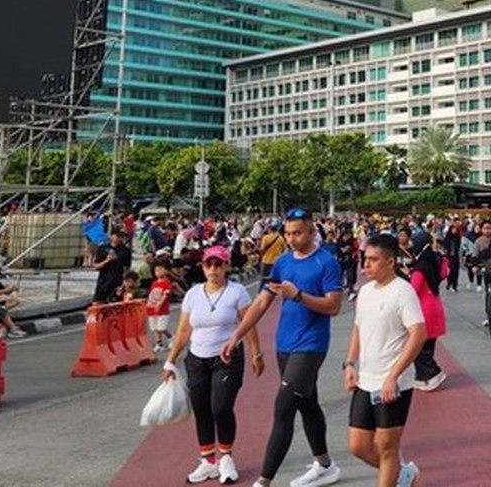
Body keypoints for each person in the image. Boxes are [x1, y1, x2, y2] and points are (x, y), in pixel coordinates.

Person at [222, 208, 344, 487]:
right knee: (307, 403)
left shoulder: (326, 262)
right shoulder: (282, 262)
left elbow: (334, 306)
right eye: (288, 233)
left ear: (312, 232)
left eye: (297, 233)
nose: (292, 238)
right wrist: (236, 336)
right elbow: (262, 302)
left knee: (284, 408)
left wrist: (298, 295)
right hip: (284, 345)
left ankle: (264, 481)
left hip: (311, 345)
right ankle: (325, 464)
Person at [162, 245, 262, 485]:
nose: (213, 269)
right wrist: (170, 361)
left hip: (226, 358)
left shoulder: (237, 292)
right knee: (202, 409)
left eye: (219, 264)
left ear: (226, 266)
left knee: (221, 407)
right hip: (197, 358)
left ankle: (226, 457)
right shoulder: (193, 294)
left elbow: (247, 324)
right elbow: (184, 330)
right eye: (209, 264)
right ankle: (208, 461)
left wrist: (256, 353)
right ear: (203, 267)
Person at [342, 233, 426, 487]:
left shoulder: (403, 291)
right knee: (358, 446)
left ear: (390, 262)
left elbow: (418, 333)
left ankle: (394, 476)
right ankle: (404, 474)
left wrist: (393, 375)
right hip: (365, 380)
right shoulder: (365, 291)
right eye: (364, 259)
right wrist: (349, 364)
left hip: (393, 384)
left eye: (372, 260)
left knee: (387, 447)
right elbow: (358, 328)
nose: (365, 265)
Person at [399, 227, 447, 391]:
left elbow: (413, 289)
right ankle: (423, 377)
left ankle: (433, 373)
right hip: (434, 306)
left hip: (424, 310)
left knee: (417, 347)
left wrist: (407, 276)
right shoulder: (432, 261)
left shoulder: (420, 268)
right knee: (427, 347)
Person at [92, 231, 127, 304]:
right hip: (103, 282)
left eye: (122, 237)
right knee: (97, 304)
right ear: (112, 237)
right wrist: (107, 260)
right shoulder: (103, 248)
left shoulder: (125, 250)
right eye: (118, 236)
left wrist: (123, 285)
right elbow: (96, 267)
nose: (120, 239)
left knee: (114, 305)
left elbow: (127, 269)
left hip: (117, 283)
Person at [147, 262, 175, 351]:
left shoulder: (167, 282)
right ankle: (159, 344)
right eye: (156, 270)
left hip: (163, 310)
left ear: (165, 271)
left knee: (161, 328)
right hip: (152, 309)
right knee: (155, 328)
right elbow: (151, 295)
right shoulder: (154, 283)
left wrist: (160, 303)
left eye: (160, 269)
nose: (158, 272)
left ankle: (171, 337)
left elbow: (166, 294)